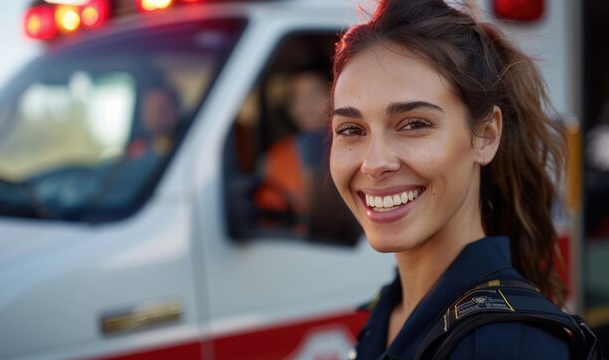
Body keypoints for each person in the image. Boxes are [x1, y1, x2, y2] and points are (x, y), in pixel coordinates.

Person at [329, 0, 598, 358]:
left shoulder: (504, 346)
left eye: (414, 124)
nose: (374, 163)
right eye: (351, 129)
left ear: (486, 135)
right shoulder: (392, 310)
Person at [254, 70, 329, 220]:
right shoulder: (274, 158)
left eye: (314, 95)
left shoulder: (355, 150)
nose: (305, 106)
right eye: (296, 98)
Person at [127, 85, 180, 159]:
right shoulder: (136, 150)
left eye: (161, 110)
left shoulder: (184, 143)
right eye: (149, 110)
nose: (155, 117)